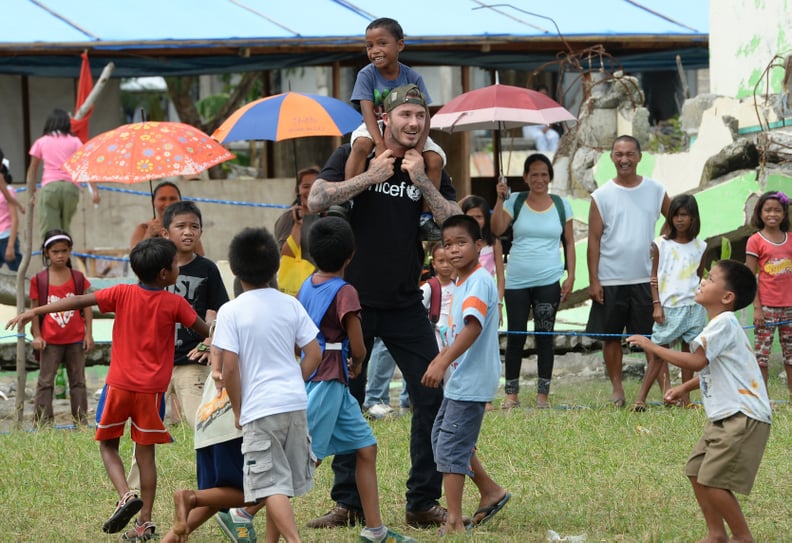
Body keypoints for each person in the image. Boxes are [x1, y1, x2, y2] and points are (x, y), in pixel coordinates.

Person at [306, 84, 462, 529]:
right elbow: (317, 198)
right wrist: (370, 177)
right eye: (405, 115)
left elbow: (453, 221)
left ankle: (421, 501)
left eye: (420, 116)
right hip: (351, 303)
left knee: (432, 391)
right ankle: (348, 503)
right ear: (386, 119)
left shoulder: (425, 165)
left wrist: (422, 183)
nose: (413, 123)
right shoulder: (357, 154)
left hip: (405, 303)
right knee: (344, 399)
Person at [7, 237, 209, 540]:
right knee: (146, 454)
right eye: (176, 264)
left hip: (119, 386)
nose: (179, 266)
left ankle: (126, 494)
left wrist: (36, 312)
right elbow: (205, 331)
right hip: (152, 392)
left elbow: (77, 301)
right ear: (165, 274)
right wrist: (211, 342)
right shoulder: (175, 303)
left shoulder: (121, 292)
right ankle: (145, 523)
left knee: (107, 445)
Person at [628, 260, 771, 543]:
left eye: (711, 278)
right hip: (724, 416)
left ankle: (742, 537)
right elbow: (715, 368)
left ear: (727, 297)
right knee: (696, 471)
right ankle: (716, 533)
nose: (703, 280)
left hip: (742, 417)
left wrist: (652, 346)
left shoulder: (724, 323)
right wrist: (685, 387)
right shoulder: (721, 326)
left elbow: (696, 360)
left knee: (714, 481)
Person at [298, 216, 416, 543]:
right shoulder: (346, 291)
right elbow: (359, 342)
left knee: (366, 446)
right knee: (306, 459)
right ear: (351, 255)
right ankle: (244, 510)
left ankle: (375, 529)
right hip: (331, 376)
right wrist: (359, 362)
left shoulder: (308, 284)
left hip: (317, 373)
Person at [213, 226, 321, 543]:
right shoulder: (290, 304)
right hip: (295, 403)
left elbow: (230, 369)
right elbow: (313, 354)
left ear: (234, 268)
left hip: (260, 408)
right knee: (281, 484)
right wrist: (293, 379)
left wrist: (238, 409)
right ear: (275, 266)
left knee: (270, 484)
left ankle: (294, 540)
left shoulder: (231, 311)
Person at [422, 215, 510, 535]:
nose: (453, 250)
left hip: (470, 381)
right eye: (447, 244)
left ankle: (455, 521)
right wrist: (443, 359)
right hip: (460, 380)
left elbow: (473, 326)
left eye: (461, 243)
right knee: (442, 441)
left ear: (479, 245)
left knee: (450, 449)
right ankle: (490, 490)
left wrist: (443, 362)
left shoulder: (479, 280)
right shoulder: (460, 281)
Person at [585, 135, 669, 407]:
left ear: (639, 157)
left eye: (630, 154)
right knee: (611, 337)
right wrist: (594, 279)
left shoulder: (656, 189)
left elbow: (676, 217)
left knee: (651, 338)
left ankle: (666, 390)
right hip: (611, 278)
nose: (624, 159)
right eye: (619, 154)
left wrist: (661, 242)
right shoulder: (601, 196)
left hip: (647, 278)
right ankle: (617, 389)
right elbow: (594, 240)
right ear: (612, 157)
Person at [346, 17, 445, 239]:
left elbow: (425, 117)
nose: (374, 50)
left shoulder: (412, 76)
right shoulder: (366, 74)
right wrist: (379, 144)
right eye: (369, 46)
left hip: (410, 127)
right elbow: (367, 110)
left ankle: (425, 217)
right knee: (360, 145)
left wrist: (417, 150)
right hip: (377, 124)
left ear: (400, 45)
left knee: (435, 160)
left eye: (382, 43)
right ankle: (346, 201)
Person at [491, 153, 576, 409]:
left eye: (544, 174)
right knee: (516, 336)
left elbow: (569, 243)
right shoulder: (514, 201)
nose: (540, 179)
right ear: (526, 177)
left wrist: (571, 275)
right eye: (534, 174)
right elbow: (495, 229)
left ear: (550, 177)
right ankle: (511, 395)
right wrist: (498, 197)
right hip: (516, 281)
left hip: (549, 279)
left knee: (544, 337)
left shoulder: (562, 205)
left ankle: (542, 397)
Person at [163, 355, 258, 543]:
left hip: (210, 415)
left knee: (217, 496)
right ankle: (189, 497)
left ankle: (168, 540)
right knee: (266, 488)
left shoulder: (221, 326)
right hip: (236, 420)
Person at [632, 194, 707, 411]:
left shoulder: (700, 246)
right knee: (657, 354)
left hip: (693, 308)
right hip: (668, 308)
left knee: (689, 355)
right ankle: (641, 399)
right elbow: (654, 277)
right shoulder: (660, 245)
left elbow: (698, 276)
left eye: (685, 215)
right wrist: (657, 305)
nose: (680, 220)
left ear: (694, 218)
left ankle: (685, 399)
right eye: (675, 215)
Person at [162, 201, 229, 427]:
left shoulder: (207, 269)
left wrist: (210, 340)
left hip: (192, 361)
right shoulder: (155, 267)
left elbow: (222, 309)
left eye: (194, 226)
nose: (188, 232)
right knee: (143, 426)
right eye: (180, 226)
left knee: (200, 423)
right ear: (165, 232)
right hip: (156, 361)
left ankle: (203, 463)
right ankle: (139, 465)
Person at [29, 230, 93, 425]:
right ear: (46, 252)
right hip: (50, 341)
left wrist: (88, 334)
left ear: (70, 251)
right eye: (55, 251)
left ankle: (80, 422)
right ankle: (42, 423)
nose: (60, 255)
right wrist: (38, 336)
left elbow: (87, 306)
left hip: (75, 338)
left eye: (64, 251)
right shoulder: (39, 280)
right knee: (45, 382)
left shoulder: (77, 278)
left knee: (78, 381)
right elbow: (34, 309)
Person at [745, 190, 792, 395]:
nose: (772, 214)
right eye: (768, 210)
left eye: (777, 210)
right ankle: (762, 397)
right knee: (761, 356)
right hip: (766, 308)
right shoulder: (755, 240)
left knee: (791, 355)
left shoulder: (790, 239)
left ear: (784, 214)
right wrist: (757, 309)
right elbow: (750, 277)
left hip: (790, 307)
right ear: (760, 213)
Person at [26, 108, 96, 242]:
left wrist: (31, 187)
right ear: (67, 124)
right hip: (71, 188)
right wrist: (94, 191)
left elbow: (32, 168)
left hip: (50, 187)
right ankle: (65, 256)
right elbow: (85, 166)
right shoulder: (75, 141)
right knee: (65, 228)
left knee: (49, 230)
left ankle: (50, 260)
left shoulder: (42, 141)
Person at [273, 166, 321, 296]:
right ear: (297, 190)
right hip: (299, 290)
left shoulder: (328, 216)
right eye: (305, 186)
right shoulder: (288, 218)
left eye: (316, 186)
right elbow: (286, 254)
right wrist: (297, 225)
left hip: (323, 288)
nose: (311, 191)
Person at [130, 181, 205, 256]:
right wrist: (149, 235)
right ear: (153, 202)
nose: (168, 204)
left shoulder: (187, 230)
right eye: (162, 199)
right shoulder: (143, 228)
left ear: (180, 201)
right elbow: (134, 261)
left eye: (172, 199)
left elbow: (201, 258)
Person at [521, 85, 561, 153]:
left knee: (554, 135)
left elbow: (551, 121)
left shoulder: (547, 105)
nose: (543, 96)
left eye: (545, 94)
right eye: (541, 94)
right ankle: (544, 156)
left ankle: (553, 157)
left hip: (544, 129)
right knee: (540, 136)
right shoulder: (530, 103)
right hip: (531, 129)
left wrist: (547, 127)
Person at [0, 150, 22, 271]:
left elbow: (14, 219)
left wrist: (10, 246)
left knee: (17, 273)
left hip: (6, 238)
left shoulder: (8, 191)